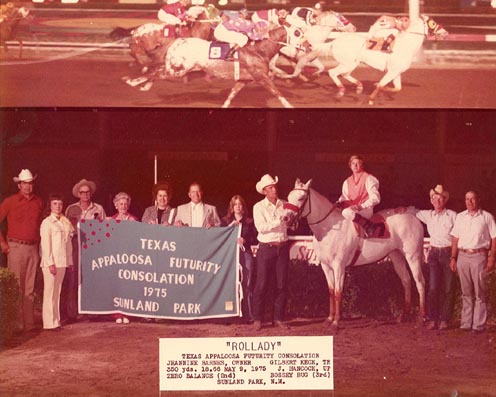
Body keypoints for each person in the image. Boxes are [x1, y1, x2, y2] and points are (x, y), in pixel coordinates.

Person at [0, 169, 43, 333]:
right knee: (17, 286)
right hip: (16, 247)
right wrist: (3, 243)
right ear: (19, 185)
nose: (28, 186)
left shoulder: (38, 202)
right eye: (25, 183)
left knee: (30, 287)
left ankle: (30, 322)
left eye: (30, 183)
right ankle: (17, 323)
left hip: (32, 247)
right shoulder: (10, 201)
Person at [450, 190, 496, 334]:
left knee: (479, 292)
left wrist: (491, 258)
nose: (470, 202)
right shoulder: (460, 217)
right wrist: (453, 258)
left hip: (479, 257)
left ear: (478, 200)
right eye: (467, 199)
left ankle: (478, 325)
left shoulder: (487, 217)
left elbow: (494, 238)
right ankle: (465, 323)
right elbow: (455, 239)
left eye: (473, 199)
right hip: (463, 256)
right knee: (466, 292)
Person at [62, 179, 106, 323]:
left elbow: (105, 228)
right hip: (75, 245)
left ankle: (91, 311)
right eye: (82, 192)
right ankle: (71, 313)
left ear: (91, 193)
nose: (85, 195)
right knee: (73, 278)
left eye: (87, 192)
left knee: (90, 278)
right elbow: (65, 229)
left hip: (92, 246)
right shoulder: (70, 209)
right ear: (78, 194)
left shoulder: (98, 208)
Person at [252, 174, 291, 331]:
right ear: (264, 191)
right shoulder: (258, 207)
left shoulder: (285, 204)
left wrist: (291, 223)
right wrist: (280, 221)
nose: (274, 189)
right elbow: (261, 227)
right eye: (270, 187)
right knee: (261, 284)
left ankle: (278, 318)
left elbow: (291, 225)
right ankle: (257, 319)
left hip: (282, 247)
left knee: (281, 284)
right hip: (266, 248)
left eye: (274, 186)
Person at [415, 185, 457, 330]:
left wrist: (453, 257)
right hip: (433, 254)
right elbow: (413, 211)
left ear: (444, 200)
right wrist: (402, 209)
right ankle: (432, 319)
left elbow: (458, 236)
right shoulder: (427, 215)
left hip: (447, 253)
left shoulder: (452, 215)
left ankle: (445, 320)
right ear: (431, 200)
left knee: (448, 288)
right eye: (434, 198)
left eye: (439, 198)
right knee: (433, 288)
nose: (436, 201)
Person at [40, 193, 75, 331]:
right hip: (51, 262)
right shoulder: (47, 223)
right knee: (49, 292)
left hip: (62, 261)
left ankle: (56, 320)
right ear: (50, 206)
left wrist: (70, 261)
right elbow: (45, 245)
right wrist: (50, 263)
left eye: (60, 204)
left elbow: (68, 245)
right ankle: (49, 322)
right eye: (55, 203)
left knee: (57, 291)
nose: (58, 206)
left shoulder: (64, 222)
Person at [221, 195, 257, 323]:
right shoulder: (225, 221)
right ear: (232, 206)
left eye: (240, 204)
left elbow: (254, 238)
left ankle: (249, 314)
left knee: (246, 283)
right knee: (230, 283)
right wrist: (230, 228)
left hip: (245, 254)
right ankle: (230, 314)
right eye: (235, 204)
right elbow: (220, 237)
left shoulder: (249, 222)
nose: (237, 206)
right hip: (230, 255)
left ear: (243, 207)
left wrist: (245, 240)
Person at [337, 155, 383, 238]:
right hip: (352, 210)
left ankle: (369, 226)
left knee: (345, 212)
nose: (355, 166)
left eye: (358, 163)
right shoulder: (347, 182)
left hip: (365, 209)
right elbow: (344, 198)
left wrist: (361, 206)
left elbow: (376, 198)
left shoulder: (369, 178)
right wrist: (339, 203)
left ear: (362, 165)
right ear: (350, 165)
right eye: (353, 163)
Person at [109, 192, 138, 324]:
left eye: (125, 204)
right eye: (121, 204)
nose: (123, 206)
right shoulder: (111, 220)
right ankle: (117, 314)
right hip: (116, 257)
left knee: (127, 286)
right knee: (117, 286)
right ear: (116, 205)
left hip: (129, 257)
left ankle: (127, 313)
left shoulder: (134, 220)